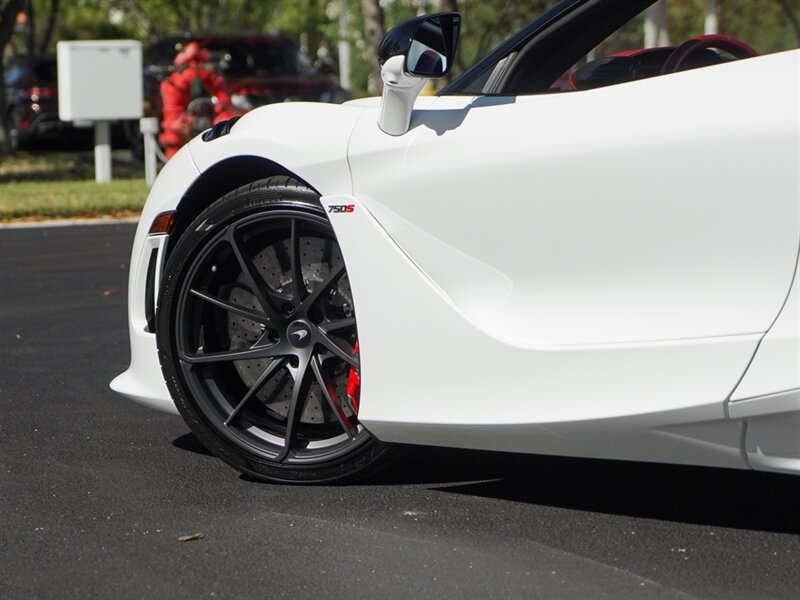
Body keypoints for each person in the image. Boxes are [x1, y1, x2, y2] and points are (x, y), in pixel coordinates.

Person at [159, 41, 234, 159]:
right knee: (174, 135)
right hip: (180, 143)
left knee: (227, 122)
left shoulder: (211, 77)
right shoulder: (172, 85)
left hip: (213, 139)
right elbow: (173, 116)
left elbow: (225, 105)